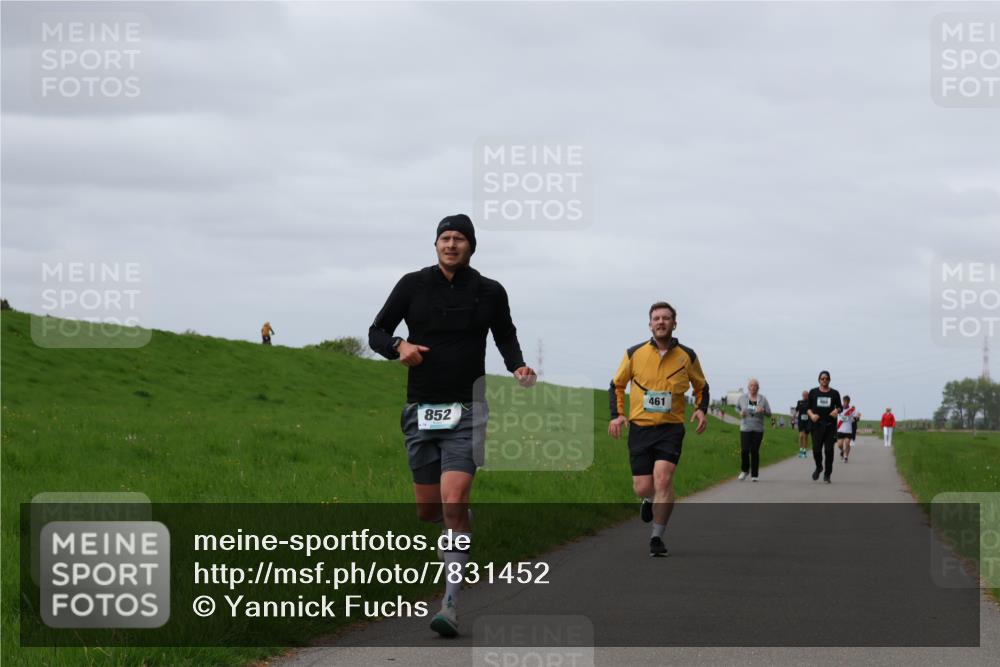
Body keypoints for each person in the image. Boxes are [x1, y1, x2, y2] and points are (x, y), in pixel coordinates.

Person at [368, 214, 536, 637]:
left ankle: (450, 603)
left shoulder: (489, 291)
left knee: (454, 500)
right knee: (430, 511)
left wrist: (517, 365)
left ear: (471, 246)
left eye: (459, 238)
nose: (451, 244)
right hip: (421, 408)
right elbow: (377, 331)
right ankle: (457, 522)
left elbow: (505, 335)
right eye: (445, 237)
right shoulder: (412, 285)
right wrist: (398, 345)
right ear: (436, 244)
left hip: (469, 408)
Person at [608, 301, 709, 557]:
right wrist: (617, 415)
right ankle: (648, 499)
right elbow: (616, 385)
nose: (661, 322)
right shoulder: (634, 353)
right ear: (650, 324)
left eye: (666, 318)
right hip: (640, 428)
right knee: (643, 486)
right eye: (656, 318)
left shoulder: (688, 356)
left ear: (674, 323)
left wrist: (701, 409)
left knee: (663, 478)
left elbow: (702, 387)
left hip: (670, 428)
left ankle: (657, 536)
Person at [807, 370, 843, 483]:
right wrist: (812, 415)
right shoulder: (813, 392)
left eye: (826, 378)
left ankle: (827, 475)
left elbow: (840, 407)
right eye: (822, 378)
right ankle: (819, 467)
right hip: (817, 426)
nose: (824, 380)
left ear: (829, 380)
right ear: (819, 380)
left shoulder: (834, 393)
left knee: (829, 451)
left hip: (829, 426)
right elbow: (807, 408)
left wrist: (836, 410)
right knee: (816, 450)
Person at [736, 378, 771, 482]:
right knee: (745, 450)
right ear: (748, 387)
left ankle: (754, 475)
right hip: (745, 428)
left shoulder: (763, 399)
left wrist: (763, 410)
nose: (753, 387)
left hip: (758, 429)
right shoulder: (742, 398)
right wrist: (740, 413)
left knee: (754, 451)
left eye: (755, 385)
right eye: (751, 385)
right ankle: (744, 470)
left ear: (758, 388)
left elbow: (769, 414)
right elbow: (737, 408)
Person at [836, 395, 860, 463]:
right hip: (840, 429)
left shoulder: (852, 410)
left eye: (846, 402)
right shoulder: (839, 409)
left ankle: (846, 457)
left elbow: (856, 417)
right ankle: (842, 451)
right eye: (844, 401)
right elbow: (833, 414)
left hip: (848, 430)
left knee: (847, 443)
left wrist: (857, 418)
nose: (845, 403)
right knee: (839, 445)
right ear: (842, 401)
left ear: (849, 402)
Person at [794, 390, 810, 458]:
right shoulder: (799, 402)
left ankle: (804, 451)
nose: (804, 396)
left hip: (808, 421)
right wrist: (794, 415)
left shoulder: (810, 402)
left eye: (806, 395)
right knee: (801, 436)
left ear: (808, 395)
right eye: (803, 395)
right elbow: (796, 409)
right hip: (801, 421)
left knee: (805, 437)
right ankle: (801, 451)